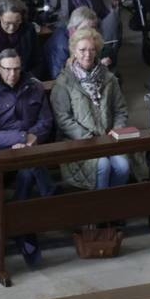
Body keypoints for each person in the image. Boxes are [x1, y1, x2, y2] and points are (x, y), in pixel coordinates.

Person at [0, 47, 53, 268]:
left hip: (31, 148)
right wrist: (18, 138)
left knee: (28, 169)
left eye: (17, 69)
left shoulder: (34, 86)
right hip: (1, 155)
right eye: (7, 69)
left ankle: (22, 229)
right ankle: (50, 199)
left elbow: (46, 120)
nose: (12, 74)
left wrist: (32, 139)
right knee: (31, 166)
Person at [50, 25, 136, 193]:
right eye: (82, 50)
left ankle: (112, 209)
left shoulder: (109, 78)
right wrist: (88, 137)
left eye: (92, 50)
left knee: (123, 166)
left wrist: (117, 130)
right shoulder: (63, 82)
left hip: (109, 138)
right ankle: (99, 214)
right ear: (74, 51)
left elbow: (120, 110)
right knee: (102, 165)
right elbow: (63, 119)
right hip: (79, 141)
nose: (87, 54)